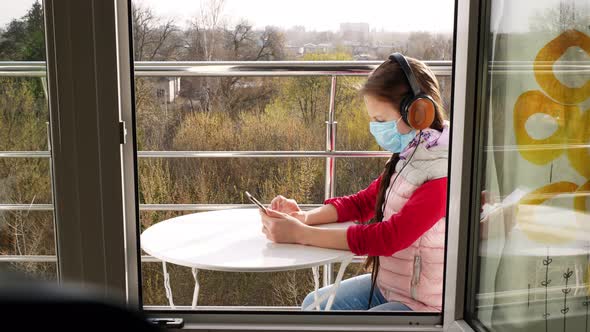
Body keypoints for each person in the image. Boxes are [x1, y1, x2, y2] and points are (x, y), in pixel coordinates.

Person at [259, 53, 449, 312]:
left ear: (417, 112)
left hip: (422, 305)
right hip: (388, 287)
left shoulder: (441, 172)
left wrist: (302, 235)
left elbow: (390, 238)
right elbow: (363, 203)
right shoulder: (409, 154)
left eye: (381, 120)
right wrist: (304, 218)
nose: (375, 128)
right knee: (314, 306)